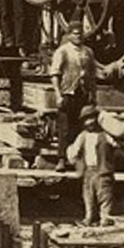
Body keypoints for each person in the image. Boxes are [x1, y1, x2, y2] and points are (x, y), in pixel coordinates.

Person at [50, 20, 97, 171]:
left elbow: (92, 75)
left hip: (82, 94)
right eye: (75, 34)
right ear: (69, 35)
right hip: (67, 93)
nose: (78, 36)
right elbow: (55, 74)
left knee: (81, 127)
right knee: (64, 128)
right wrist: (58, 95)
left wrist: (93, 95)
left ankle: (77, 159)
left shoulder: (88, 52)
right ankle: (61, 160)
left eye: (80, 34)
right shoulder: (62, 51)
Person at [66, 105, 118, 226]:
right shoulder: (82, 136)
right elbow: (73, 151)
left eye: (91, 118)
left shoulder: (105, 135)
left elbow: (117, 144)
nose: (89, 122)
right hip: (88, 171)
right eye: (86, 120)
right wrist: (73, 158)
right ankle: (88, 217)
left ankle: (105, 218)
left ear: (97, 119)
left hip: (103, 171)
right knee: (88, 196)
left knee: (105, 195)